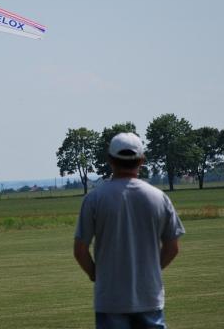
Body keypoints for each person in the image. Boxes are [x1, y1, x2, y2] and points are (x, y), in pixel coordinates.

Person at [74, 132, 185, 329]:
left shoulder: (94, 199)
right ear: (142, 160)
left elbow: (80, 250)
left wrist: (96, 275)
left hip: (110, 300)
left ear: (110, 160)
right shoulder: (159, 198)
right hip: (149, 297)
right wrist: (151, 271)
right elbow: (172, 247)